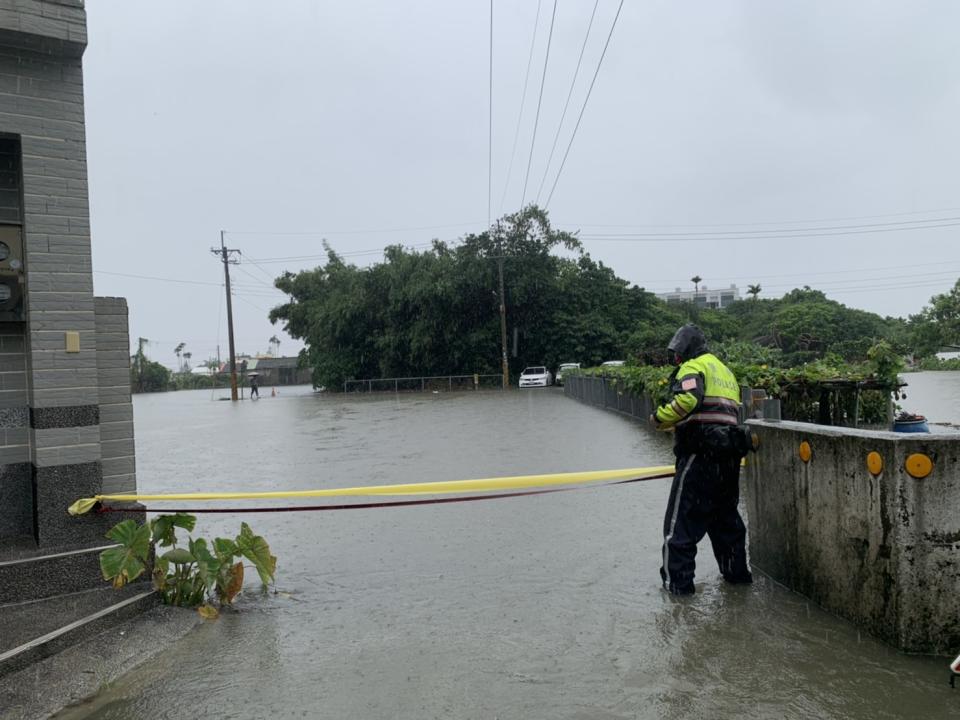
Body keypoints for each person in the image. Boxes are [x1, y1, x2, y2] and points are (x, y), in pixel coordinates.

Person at [651, 324, 754, 595]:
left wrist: (659, 418)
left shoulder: (693, 367)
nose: (675, 360)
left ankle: (677, 592)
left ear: (685, 349)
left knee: (680, 528)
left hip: (700, 455)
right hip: (728, 459)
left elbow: (687, 401)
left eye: (676, 354)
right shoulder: (725, 372)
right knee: (727, 525)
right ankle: (738, 584)